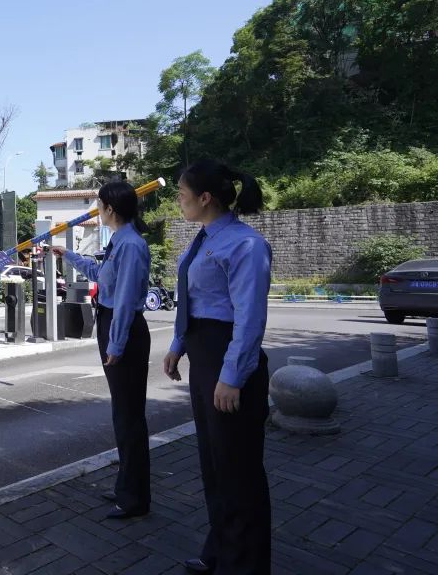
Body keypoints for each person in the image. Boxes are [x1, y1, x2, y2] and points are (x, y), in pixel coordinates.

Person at [162, 160, 272, 575]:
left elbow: (249, 318)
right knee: (214, 463)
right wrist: (178, 344)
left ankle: (245, 565)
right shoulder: (204, 239)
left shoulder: (246, 245)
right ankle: (221, 551)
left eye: (182, 194)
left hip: (228, 358)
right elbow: (195, 301)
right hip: (203, 354)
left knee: (238, 469)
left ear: (205, 197)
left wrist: (232, 376)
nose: (178, 201)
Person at [52, 180, 152, 520]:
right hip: (111, 322)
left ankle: (134, 498)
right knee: (122, 413)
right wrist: (67, 255)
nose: (96, 210)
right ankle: (127, 486)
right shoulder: (119, 241)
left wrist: (117, 343)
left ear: (110, 209)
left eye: (98, 204)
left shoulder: (131, 245)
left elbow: (124, 299)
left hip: (123, 327)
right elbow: (99, 273)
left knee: (129, 416)